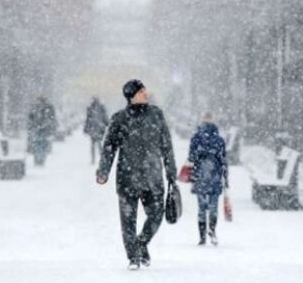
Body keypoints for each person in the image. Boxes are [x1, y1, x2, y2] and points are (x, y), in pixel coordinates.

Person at [96, 80, 178, 270]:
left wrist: (171, 172)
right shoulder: (119, 119)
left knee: (157, 216)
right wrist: (103, 171)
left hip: (153, 177)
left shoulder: (156, 115)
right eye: (141, 91)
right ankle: (133, 257)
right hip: (127, 178)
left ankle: (141, 243)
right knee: (128, 221)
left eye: (145, 90)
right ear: (131, 95)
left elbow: (166, 145)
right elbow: (109, 147)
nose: (145, 93)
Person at [187, 111, 228, 246]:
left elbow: (191, 158)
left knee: (201, 207)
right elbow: (223, 161)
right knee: (213, 206)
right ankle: (212, 231)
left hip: (200, 176)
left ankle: (202, 236)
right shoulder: (219, 140)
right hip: (215, 176)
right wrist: (226, 180)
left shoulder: (196, 138)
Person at [27, 96, 58, 166]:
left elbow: (30, 118)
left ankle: (38, 159)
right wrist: (51, 127)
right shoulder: (49, 107)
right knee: (43, 144)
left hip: (37, 129)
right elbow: (53, 118)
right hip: (44, 129)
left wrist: (31, 126)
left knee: (37, 144)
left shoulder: (34, 107)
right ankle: (41, 159)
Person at [83, 96, 109, 165]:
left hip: (93, 129)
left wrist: (86, 128)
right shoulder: (101, 107)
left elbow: (88, 119)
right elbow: (105, 117)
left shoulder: (91, 108)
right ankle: (101, 158)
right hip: (100, 128)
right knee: (99, 144)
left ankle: (93, 159)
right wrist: (107, 124)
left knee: (93, 144)